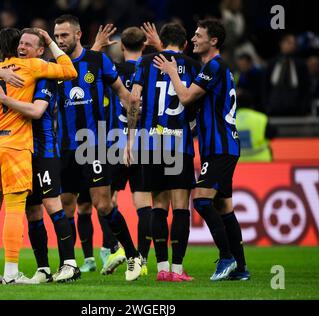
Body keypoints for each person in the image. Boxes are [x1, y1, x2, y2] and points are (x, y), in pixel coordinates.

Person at [0, 27, 77, 284]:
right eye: (23, 44)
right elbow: (70, 71)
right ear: (17, 45)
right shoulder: (33, 68)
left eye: (29, 44)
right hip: (16, 148)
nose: (23, 48)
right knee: (17, 210)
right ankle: (11, 272)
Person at [153, 19, 250, 281]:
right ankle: (240, 269)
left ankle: (227, 257)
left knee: (202, 201)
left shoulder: (214, 66)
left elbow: (185, 97)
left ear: (213, 40)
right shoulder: (217, 68)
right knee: (224, 207)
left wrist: (172, 72)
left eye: (198, 35)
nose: (193, 39)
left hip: (220, 147)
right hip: (220, 146)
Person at [53, 14, 142, 281]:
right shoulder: (53, 66)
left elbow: (125, 97)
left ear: (78, 35)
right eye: (56, 36)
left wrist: (130, 138)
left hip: (94, 146)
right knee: (65, 206)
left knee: (103, 205)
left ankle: (133, 255)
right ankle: (69, 265)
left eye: (64, 35)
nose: (60, 40)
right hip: (66, 148)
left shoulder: (97, 60)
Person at [128, 23, 201, 282]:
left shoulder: (145, 62)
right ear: (184, 44)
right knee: (181, 207)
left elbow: (134, 100)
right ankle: (178, 270)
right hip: (178, 143)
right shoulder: (193, 65)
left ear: (163, 40)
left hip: (150, 143)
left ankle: (161, 269)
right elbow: (194, 102)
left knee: (158, 205)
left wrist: (129, 140)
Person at [91, 25, 153, 276]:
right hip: (147, 143)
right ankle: (143, 260)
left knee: (107, 202)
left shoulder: (111, 71)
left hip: (114, 142)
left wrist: (97, 46)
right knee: (144, 203)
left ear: (122, 47)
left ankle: (117, 249)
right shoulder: (151, 71)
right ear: (145, 46)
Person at [236, 92, 276, 162]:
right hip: (262, 161)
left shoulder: (230, 120)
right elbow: (272, 134)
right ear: (251, 104)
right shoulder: (261, 118)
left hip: (238, 162)